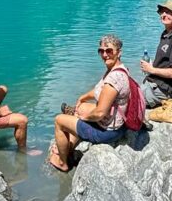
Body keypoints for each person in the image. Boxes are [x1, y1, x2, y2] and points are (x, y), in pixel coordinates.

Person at [48, 34, 131, 172]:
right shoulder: (119, 69)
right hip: (115, 123)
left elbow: (99, 113)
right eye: (101, 51)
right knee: (80, 108)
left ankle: (63, 163)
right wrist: (83, 98)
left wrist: (83, 118)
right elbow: (99, 90)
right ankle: (68, 148)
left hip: (107, 132)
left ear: (119, 52)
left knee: (59, 120)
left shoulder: (114, 78)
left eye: (109, 50)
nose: (105, 55)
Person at [140, 0, 172, 108]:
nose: (164, 14)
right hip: (155, 84)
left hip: (164, 90)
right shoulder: (167, 33)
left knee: (126, 100)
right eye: (162, 12)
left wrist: (151, 69)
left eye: (168, 12)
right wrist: (152, 65)